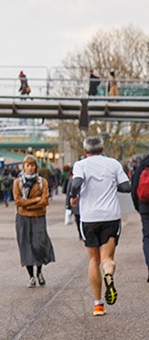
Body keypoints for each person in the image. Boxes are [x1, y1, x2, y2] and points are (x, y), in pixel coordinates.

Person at [69, 135, 132, 316]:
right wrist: (111, 185)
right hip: (110, 216)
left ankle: (98, 305)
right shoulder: (113, 164)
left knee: (93, 260)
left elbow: (77, 182)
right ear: (103, 150)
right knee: (106, 258)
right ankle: (109, 274)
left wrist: (74, 196)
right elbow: (126, 187)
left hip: (89, 218)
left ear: (85, 151)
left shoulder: (81, 165)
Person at [13, 155, 55, 287]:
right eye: (27, 165)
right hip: (23, 218)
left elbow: (44, 201)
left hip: (38, 217)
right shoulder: (17, 182)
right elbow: (18, 201)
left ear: (35, 167)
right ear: (23, 167)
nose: (30, 168)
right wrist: (35, 200)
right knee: (26, 246)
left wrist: (27, 204)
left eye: (32, 165)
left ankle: (39, 271)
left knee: (39, 245)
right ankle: (31, 276)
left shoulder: (42, 182)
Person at [129, 153, 149, 281]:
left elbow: (134, 188)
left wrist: (139, 207)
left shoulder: (143, 165)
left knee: (147, 237)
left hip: (145, 206)